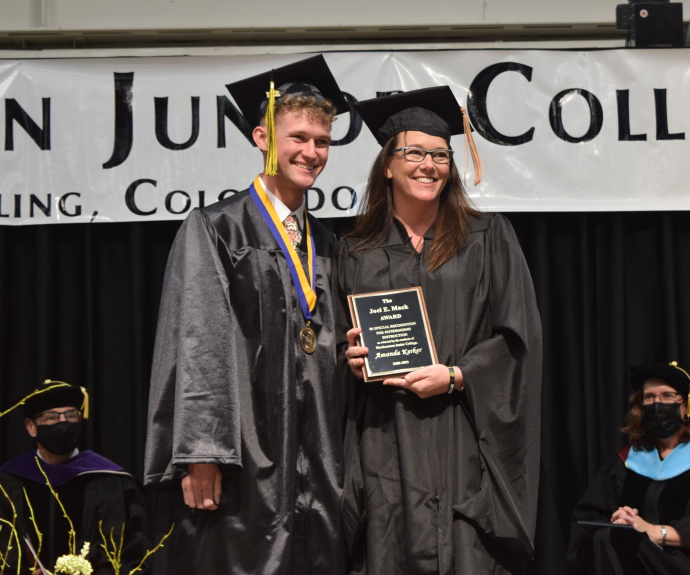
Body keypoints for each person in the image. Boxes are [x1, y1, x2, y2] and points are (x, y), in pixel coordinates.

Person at [144, 55, 348, 574]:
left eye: (321, 141)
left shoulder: (326, 243)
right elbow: (198, 341)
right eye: (298, 137)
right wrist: (201, 451)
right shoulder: (218, 229)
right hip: (246, 453)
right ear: (263, 138)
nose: (311, 152)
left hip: (317, 454)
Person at [333, 87, 542, 574]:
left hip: (462, 439)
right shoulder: (353, 250)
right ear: (387, 164)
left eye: (441, 155)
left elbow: (517, 337)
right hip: (384, 440)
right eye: (414, 152)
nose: (429, 164)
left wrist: (456, 375)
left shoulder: (488, 237)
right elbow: (335, 345)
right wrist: (348, 359)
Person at [0, 380, 151, 574]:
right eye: (52, 418)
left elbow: (129, 551)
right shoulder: (8, 481)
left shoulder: (111, 481)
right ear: (31, 426)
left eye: (71, 416)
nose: (64, 423)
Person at [567, 361, 690, 574]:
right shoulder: (625, 461)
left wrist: (654, 532)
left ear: (686, 406)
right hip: (629, 563)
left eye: (667, 396)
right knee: (606, 537)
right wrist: (620, 522)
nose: (656, 404)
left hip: (680, 564)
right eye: (649, 397)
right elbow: (587, 519)